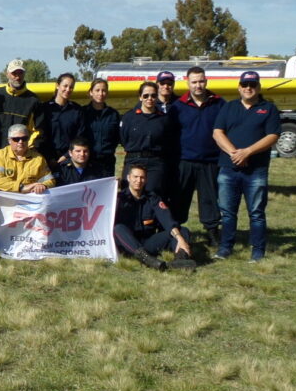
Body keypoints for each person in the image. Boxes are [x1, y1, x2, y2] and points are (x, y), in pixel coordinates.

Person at [212, 71, 281, 262]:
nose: (248, 88)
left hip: (256, 170)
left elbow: (273, 135)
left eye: (252, 85)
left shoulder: (268, 108)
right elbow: (217, 132)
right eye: (244, 85)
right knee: (227, 213)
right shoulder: (229, 107)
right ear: (239, 87)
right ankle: (225, 248)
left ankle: (257, 251)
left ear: (258, 87)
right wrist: (235, 153)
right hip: (228, 168)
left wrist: (248, 152)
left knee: (256, 213)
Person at [169, 65, 226, 247]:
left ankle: (212, 233)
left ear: (206, 81)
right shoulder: (178, 106)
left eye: (201, 81)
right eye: (194, 82)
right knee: (179, 199)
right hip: (184, 161)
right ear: (188, 83)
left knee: (210, 199)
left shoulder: (219, 104)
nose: (198, 85)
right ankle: (176, 233)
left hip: (210, 161)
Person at [114, 164, 196, 271]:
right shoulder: (118, 198)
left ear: (146, 180)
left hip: (148, 243)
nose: (138, 180)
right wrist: (112, 189)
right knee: (118, 228)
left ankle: (181, 260)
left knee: (182, 230)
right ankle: (147, 260)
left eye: (142, 177)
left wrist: (179, 238)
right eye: (135, 177)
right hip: (129, 244)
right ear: (128, 178)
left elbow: (167, 219)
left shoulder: (153, 198)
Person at [120, 81, 173, 198]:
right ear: (140, 97)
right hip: (134, 159)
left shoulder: (164, 119)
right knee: (128, 195)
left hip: (155, 163)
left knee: (153, 196)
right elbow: (124, 139)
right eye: (146, 96)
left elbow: (168, 142)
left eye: (153, 95)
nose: (149, 99)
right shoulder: (129, 117)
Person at [0, 58, 48, 156]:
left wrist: (27, 148)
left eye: (20, 73)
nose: (17, 76)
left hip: (20, 155)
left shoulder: (33, 101)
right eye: (14, 73)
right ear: (7, 74)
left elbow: (38, 130)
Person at [0, 124, 55, 194]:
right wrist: (21, 188)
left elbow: (50, 180)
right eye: (16, 139)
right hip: (7, 198)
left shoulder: (38, 158)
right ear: (9, 140)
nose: (20, 142)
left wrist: (43, 185)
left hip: (30, 198)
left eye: (24, 138)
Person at [41, 72, 86, 167]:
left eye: (71, 87)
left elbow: (80, 136)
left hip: (70, 159)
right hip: (47, 159)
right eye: (65, 86)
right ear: (57, 85)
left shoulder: (77, 110)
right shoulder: (44, 109)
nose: (68, 89)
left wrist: (66, 156)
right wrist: (49, 157)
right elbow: (41, 136)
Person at [81, 78, 120, 176]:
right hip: (87, 161)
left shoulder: (113, 114)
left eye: (104, 90)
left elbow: (117, 137)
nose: (101, 93)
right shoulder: (82, 113)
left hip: (107, 162)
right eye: (97, 90)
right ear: (91, 92)